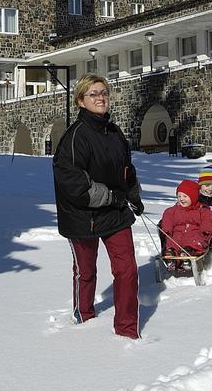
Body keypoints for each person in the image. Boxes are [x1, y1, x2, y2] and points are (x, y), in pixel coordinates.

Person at [52, 74, 144, 340]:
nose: (100, 97)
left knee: (127, 270)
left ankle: (127, 330)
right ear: (81, 100)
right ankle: (85, 317)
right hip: (82, 217)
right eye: (93, 94)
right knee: (87, 271)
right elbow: (75, 184)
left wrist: (133, 196)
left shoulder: (115, 133)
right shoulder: (74, 137)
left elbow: (127, 171)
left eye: (103, 92)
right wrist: (111, 197)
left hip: (115, 215)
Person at [159, 179, 212, 259]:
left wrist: (205, 230)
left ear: (193, 197)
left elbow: (207, 220)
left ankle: (189, 252)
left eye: (185, 196)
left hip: (195, 233)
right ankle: (171, 254)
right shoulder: (173, 210)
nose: (181, 199)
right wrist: (166, 230)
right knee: (172, 241)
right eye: (179, 196)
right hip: (177, 233)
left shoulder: (202, 211)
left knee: (194, 241)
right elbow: (168, 219)